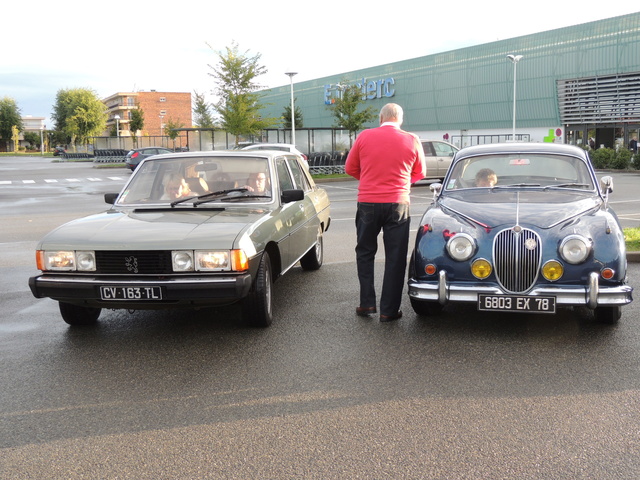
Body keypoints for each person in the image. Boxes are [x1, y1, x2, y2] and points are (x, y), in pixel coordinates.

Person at [345, 103, 426, 322]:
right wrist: (400, 184)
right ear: (400, 119)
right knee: (396, 257)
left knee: (365, 252)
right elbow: (420, 172)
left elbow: (350, 168)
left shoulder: (364, 136)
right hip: (398, 204)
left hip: (368, 203)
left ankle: (367, 303)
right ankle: (389, 311)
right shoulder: (412, 139)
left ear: (381, 118)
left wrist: (371, 180)